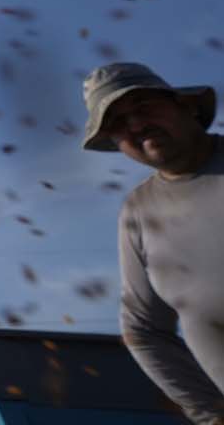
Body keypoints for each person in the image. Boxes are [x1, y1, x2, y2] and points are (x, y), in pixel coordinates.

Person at [83, 61, 224, 424]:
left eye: (144, 107)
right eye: (116, 122)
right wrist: (211, 415)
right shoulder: (139, 212)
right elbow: (144, 332)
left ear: (186, 106)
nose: (135, 125)